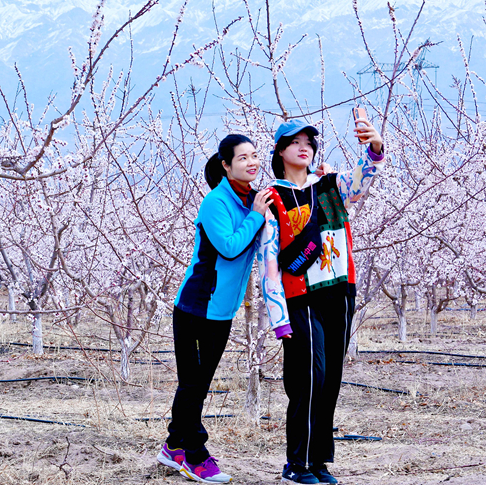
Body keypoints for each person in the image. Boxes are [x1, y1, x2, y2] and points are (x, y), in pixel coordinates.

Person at [259, 116, 385, 485]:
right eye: (294, 142)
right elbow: (269, 262)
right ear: (279, 151)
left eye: (309, 142)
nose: (304, 148)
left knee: (329, 380)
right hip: (301, 297)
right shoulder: (272, 198)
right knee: (308, 378)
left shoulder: (330, 185)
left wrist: (374, 148)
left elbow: (360, 182)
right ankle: (296, 463)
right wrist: (278, 316)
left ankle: (318, 462)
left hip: (340, 292)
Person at [158, 133, 273, 483]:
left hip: (221, 310)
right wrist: (256, 216)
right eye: (242, 158)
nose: (252, 162)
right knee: (193, 384)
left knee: (198, 382)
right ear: (226, 165)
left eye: (254, 155)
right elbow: (229, 247)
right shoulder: (216, 202)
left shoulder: (252, 199)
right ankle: (194, 454)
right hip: (196, 307)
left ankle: (173, 446)